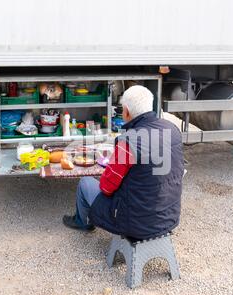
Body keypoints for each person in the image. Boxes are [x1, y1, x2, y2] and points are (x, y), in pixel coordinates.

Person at [63, 85, 184, 240]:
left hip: (135, 224)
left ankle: (83, 223)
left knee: (85, 183)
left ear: (126, 111)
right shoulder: (172, 129)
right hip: (169, 218)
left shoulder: (128, 142)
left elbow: (106, 188)